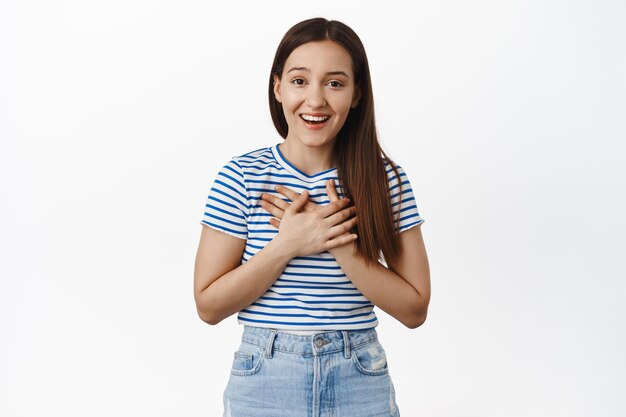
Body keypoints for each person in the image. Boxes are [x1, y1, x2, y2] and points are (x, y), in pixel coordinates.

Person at [194, 17, 430, 417]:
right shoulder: (242, 176)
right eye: (300, 81)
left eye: (335, 83)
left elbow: (415, 308)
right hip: (265, 375)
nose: (316, 100)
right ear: (278, 87)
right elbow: (209, 306)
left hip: (359, 374)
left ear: (356, 94)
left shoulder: (383, 180)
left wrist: (342, 248)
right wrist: (288, 244)